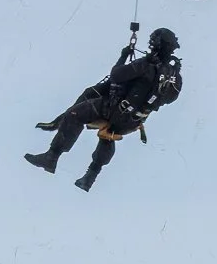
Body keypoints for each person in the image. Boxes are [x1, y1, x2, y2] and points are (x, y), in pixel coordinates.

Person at [25, 27, 183, 191]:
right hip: (132, 121)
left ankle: (51, 157)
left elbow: (116, 75)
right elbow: (169, 99)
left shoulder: (145, 65)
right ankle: (89, 178)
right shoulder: (174, 77)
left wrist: (123, 56)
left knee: (75, 115)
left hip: (112, 110)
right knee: (109, 134)